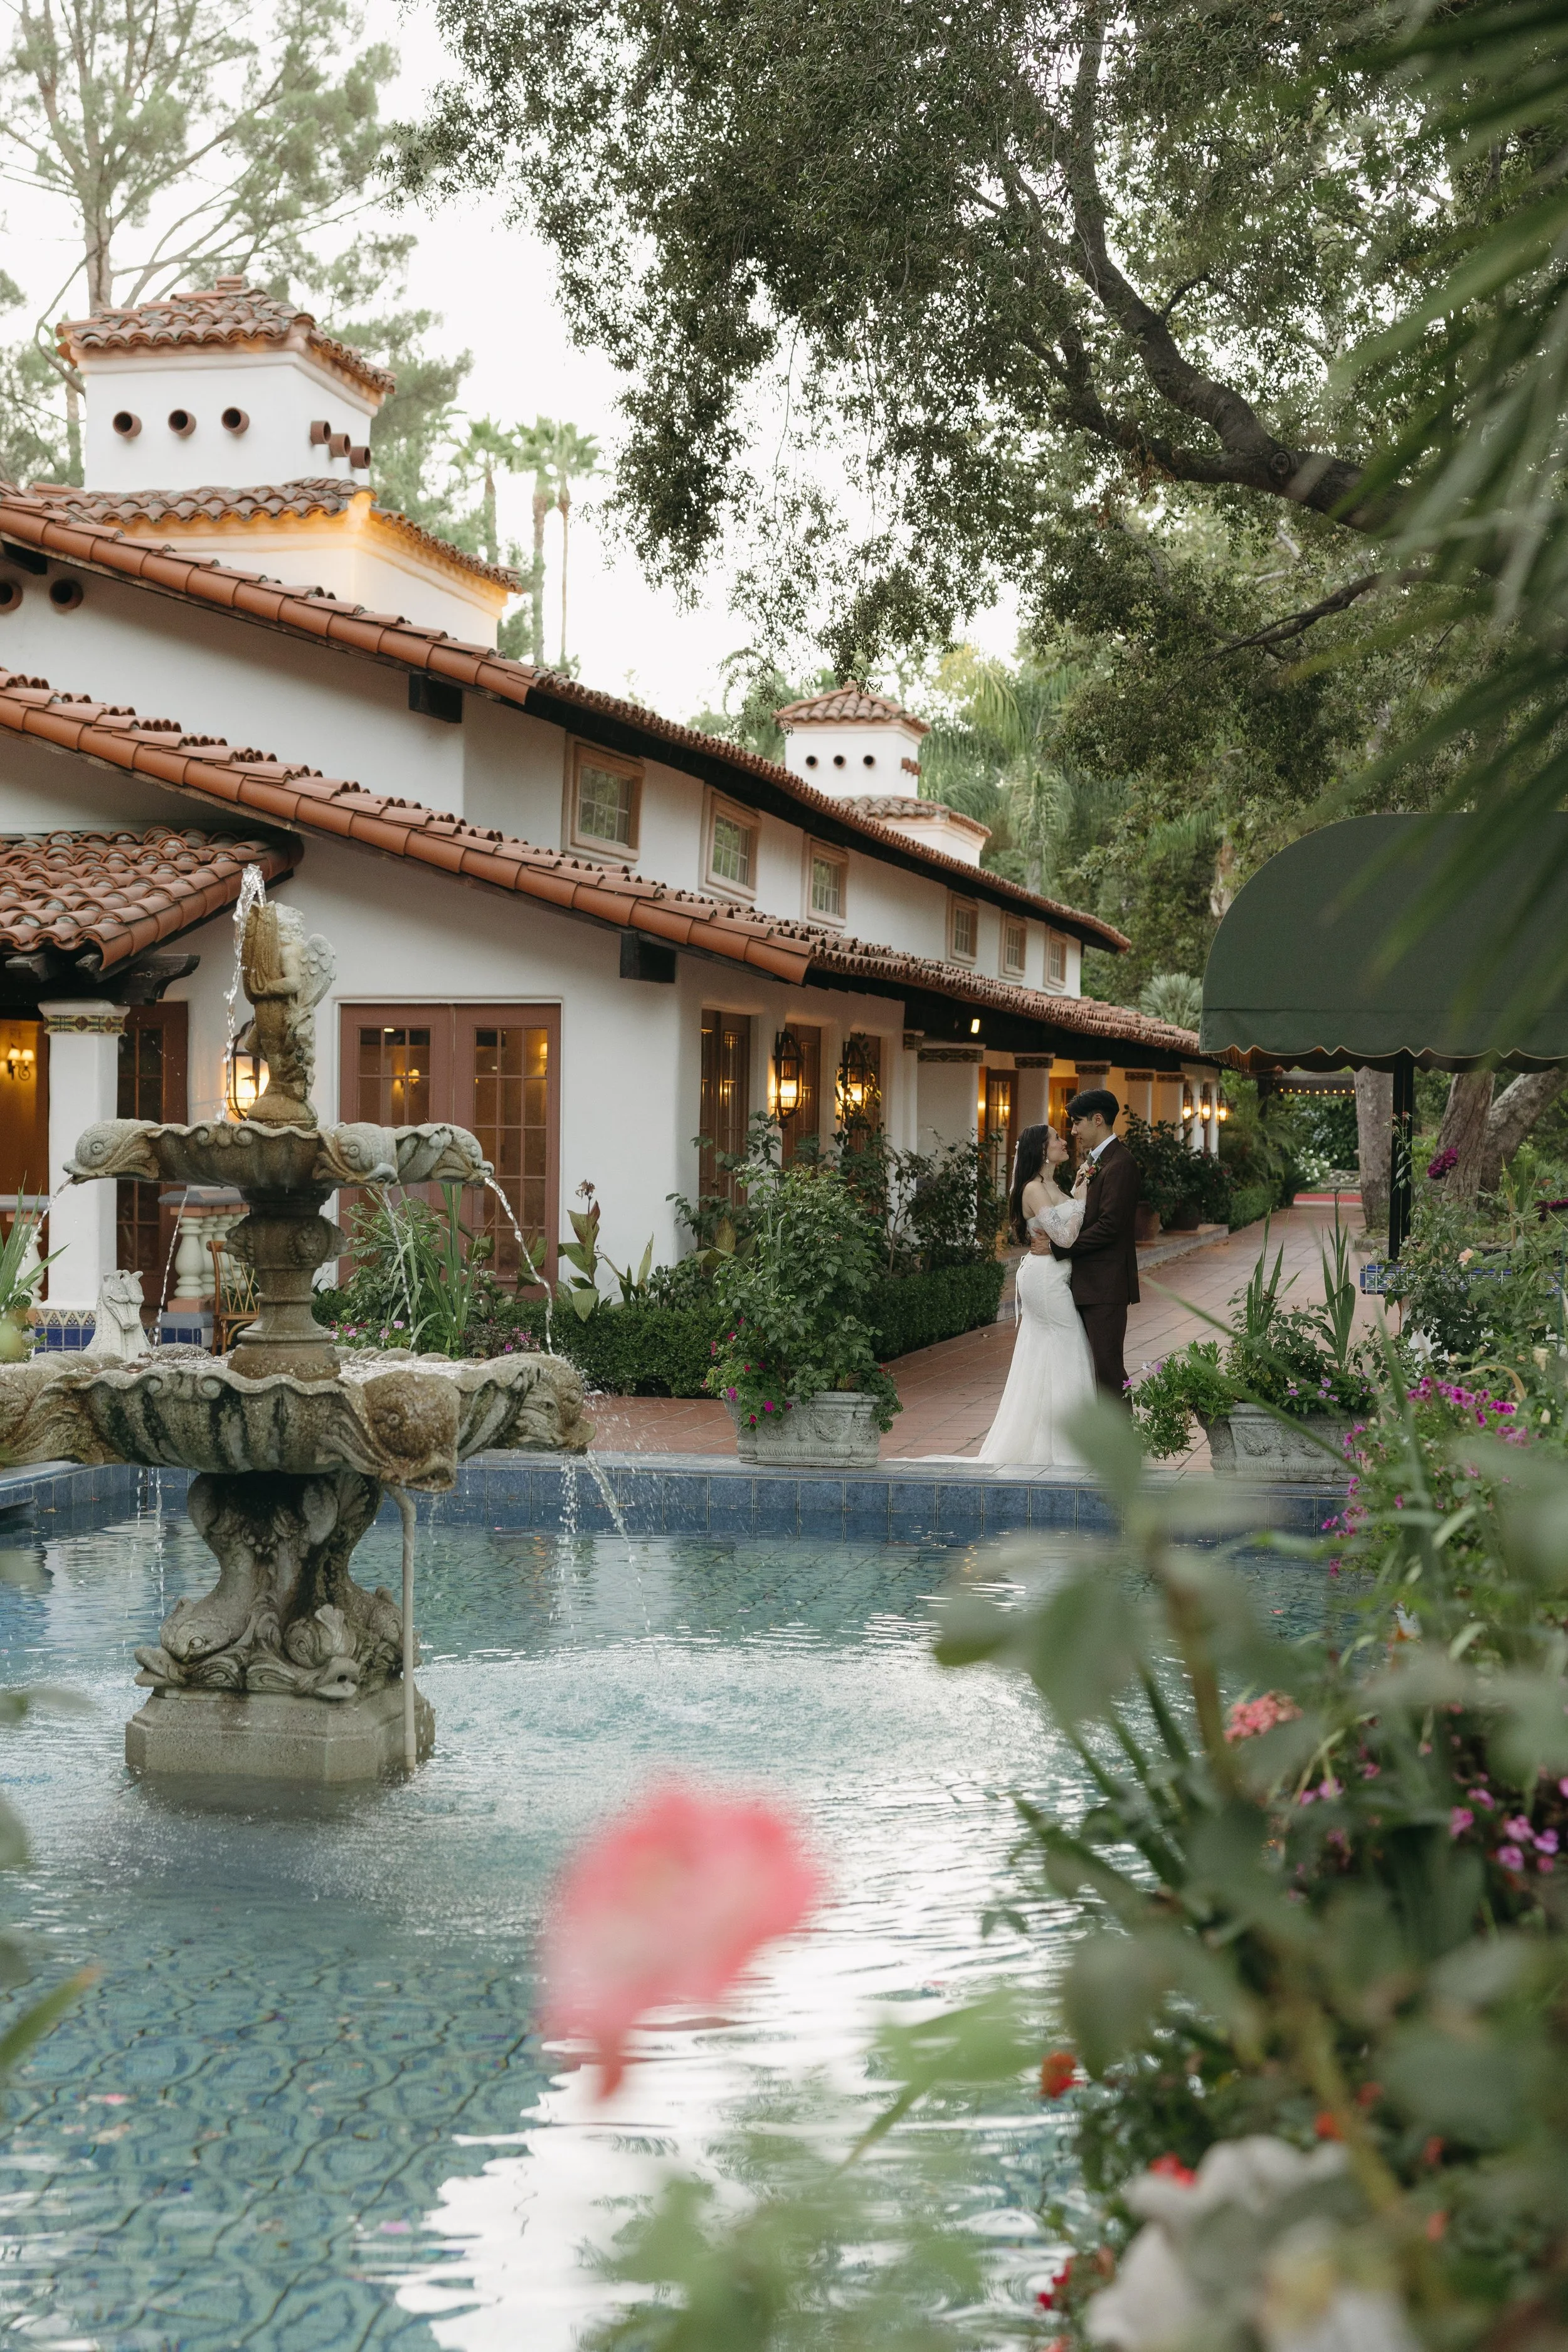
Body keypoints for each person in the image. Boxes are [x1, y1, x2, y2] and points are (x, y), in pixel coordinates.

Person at [976, 1122, 1097, 1465]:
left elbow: (1061, 1228)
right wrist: (1082, 1202)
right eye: (1057, 1139)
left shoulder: (1051, 1184)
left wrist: (1074, 1195)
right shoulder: (1032, 1188)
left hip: (1055, 1273)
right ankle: (1069, 1449)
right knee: (1069, 1344)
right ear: (1042, 1150)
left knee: (1051, 1352)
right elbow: (1065, 1237)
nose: (1064, 1141)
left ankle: (1053, 1442)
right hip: (1044, 1279)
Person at [1047, 1088, 1141, 1404]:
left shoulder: (1121, 1164)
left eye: (1077, 1123)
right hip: (1088, 1282)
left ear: (1097, 1120)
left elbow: (1110, 1227)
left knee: (1108, 1369)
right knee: (1088, 1368)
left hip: (1106, 1285)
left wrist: (1059, 1247)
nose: (1073, 1131)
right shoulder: (1097, 1162)